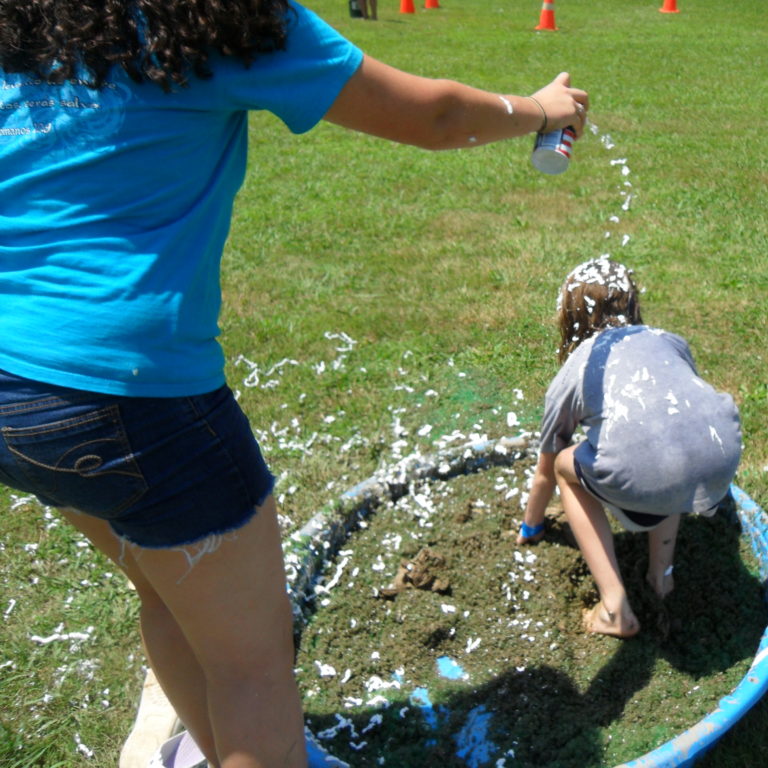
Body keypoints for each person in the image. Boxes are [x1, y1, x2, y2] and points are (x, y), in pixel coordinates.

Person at [0, 2, 588, 766]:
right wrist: (539, 109)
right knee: (250, 669)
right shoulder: (211, 16)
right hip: (131, 400)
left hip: (14, 396)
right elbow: (433, 116)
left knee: (171, 591)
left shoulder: (29, 17)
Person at [516, 258, 741, 639]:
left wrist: (531, 526)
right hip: (721, 456)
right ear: (633, 305)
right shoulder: (668, 340)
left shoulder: (574, 371)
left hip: (654, 478)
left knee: (566, 468)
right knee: (669, 445)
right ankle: (661, 577)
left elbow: (543, 475)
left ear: (569, 316)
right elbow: (681, 410)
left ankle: (615, 607)